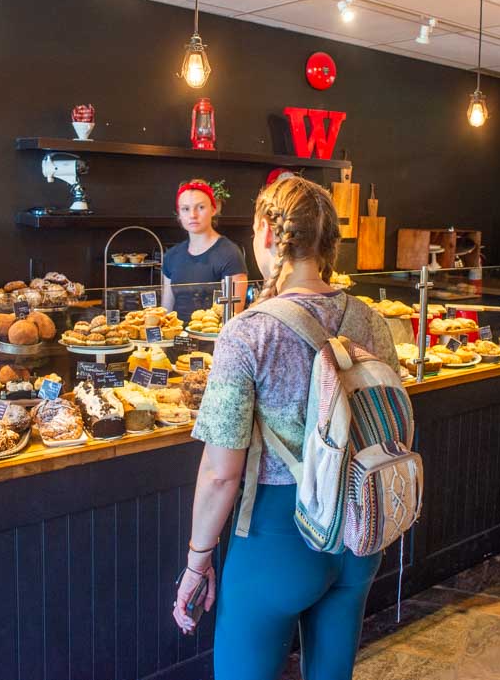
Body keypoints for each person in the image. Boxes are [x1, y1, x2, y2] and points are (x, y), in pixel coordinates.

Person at [171, 176, 397, 680]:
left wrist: (197, 562)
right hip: (358, 531)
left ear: (269, 233)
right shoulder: (370, 320)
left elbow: (220, 473)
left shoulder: (248, 332)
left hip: (278, 537)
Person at [161, 178, 248, 322]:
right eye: (185, 209)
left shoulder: (230, 254)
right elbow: (166, 313)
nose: (193, 215)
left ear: (214, 209)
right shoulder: (171, 256)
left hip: (215, 335)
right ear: (179, 214)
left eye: (200, 207)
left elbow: (233, 317)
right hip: (179, 335)